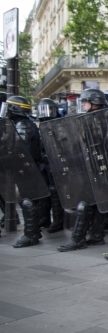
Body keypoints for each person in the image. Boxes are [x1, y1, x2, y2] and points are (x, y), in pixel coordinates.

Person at [57, 89, 108, 252]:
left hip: (94, 167)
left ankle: (77, 239)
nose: (83, 105)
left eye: (85, 102)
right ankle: (97, 235)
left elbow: (88, 146)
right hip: (101, 168)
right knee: (96, 202)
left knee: (84, 202)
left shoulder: (95, 121)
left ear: (94, 103)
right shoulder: (103, 119)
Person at [0, 96, 43, 248]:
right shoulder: (21, 123)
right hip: (28, 169)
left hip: (26, 169)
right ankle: (34, 232)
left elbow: (21, 149)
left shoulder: (22, 125)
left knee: (28, 201)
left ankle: (30, 235)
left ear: (14, 109)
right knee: (30, 201)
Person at [36, 98, 65, 234]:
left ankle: (58, 220)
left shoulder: (59, 124)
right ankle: (45, 218)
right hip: (43, 165)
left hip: (55, 164)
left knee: (55, 193)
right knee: (44, 193)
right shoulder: (40, 125)